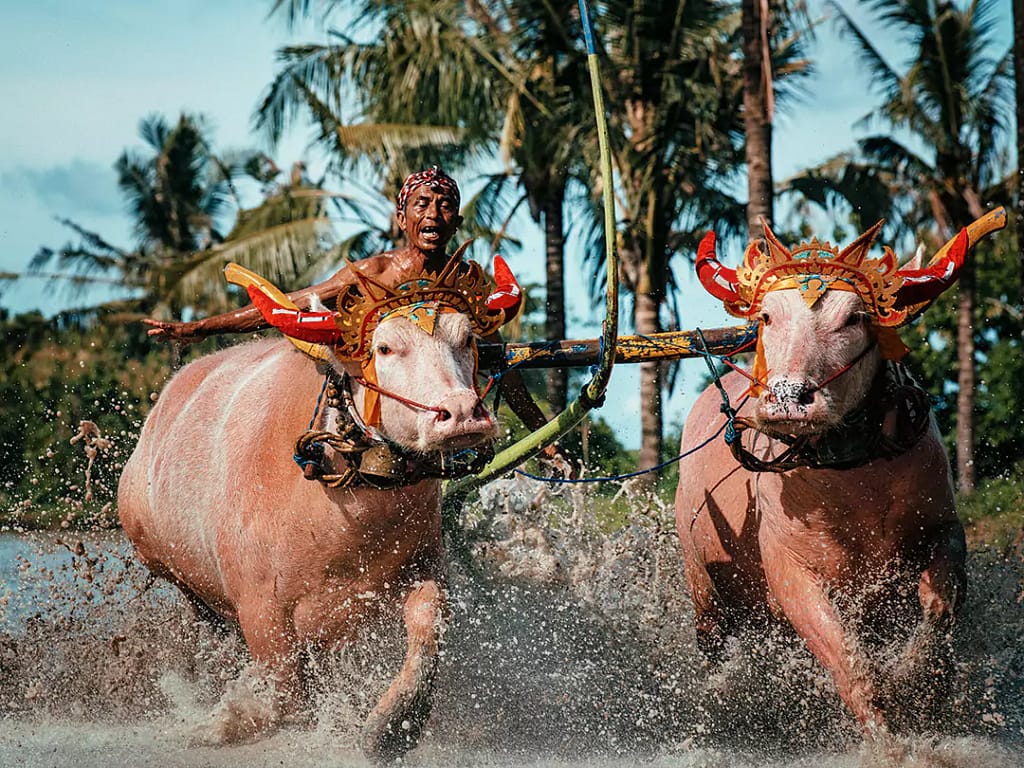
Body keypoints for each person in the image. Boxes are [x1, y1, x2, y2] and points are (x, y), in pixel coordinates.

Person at [145, 166, 560, 442]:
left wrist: (543, 439)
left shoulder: (464, 281)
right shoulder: (378, 272)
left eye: (445, 205)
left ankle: (546, 447)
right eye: (422, 205)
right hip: (375, 400)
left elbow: (500, 356)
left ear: (457, 221)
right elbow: (285, 306)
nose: (434, 213)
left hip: (450, 392)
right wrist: (196, 330)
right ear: (403, 218)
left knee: (496, 357)